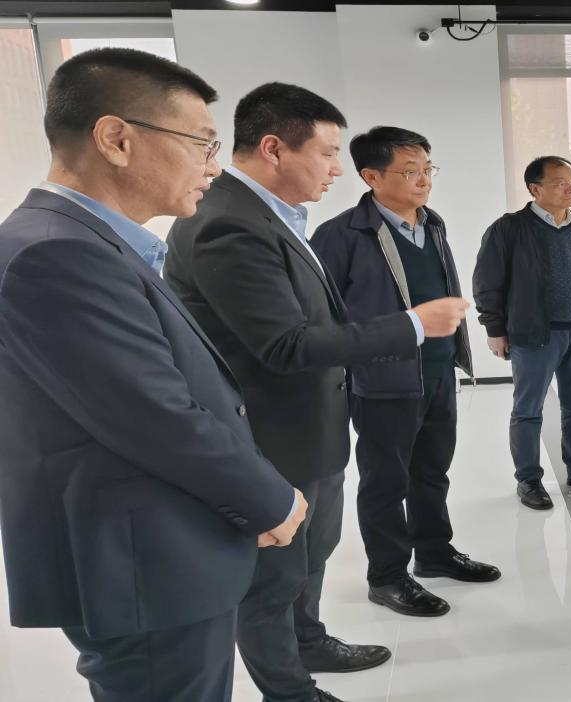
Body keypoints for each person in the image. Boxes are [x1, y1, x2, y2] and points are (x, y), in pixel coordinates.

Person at [0, 48, 306, 702]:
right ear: (116, 139)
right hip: (142, 561)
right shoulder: (58, 253)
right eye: (201, 143)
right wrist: (270, 498)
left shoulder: (83, 241)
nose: (213, 166)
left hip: (155, 547)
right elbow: (155, 415)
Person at [165, 84, 468, 702]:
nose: (336, 169)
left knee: (312, 553)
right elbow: (285, 345)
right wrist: (414, 324)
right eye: (328, 154)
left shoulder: (273, 215)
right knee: (273, 578)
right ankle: (290, 690)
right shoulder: (227, 223)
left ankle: (309, 642)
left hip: (312, 426)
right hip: (271, 436)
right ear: (274, 148)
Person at [312, 127, 500, 618]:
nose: (424, 180)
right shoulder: (340, 235)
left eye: (427, 169)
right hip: (382, 381)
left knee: (432, 471)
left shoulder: (432, 224)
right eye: (410, 171)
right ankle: (387, 576)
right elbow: (323, 318)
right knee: (385, 482)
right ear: (371, 176)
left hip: (437, 371)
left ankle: (434, 552)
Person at [472, 156, 571, 510]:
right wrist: (494, 329)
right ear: (535, 189)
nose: (570, 188)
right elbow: (487, 283)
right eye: (559, 183)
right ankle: (528, 479)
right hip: (534, 333)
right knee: (528, 410)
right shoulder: (508, 229)